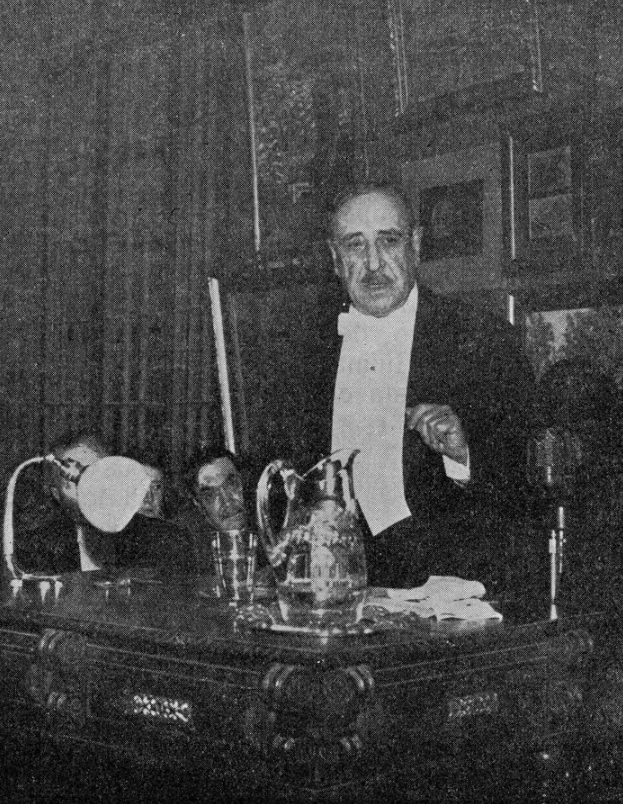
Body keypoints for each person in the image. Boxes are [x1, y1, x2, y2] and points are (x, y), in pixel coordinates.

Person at [296, 183, 535, 588]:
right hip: (334, 588)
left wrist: (462, 455)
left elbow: (526, 482)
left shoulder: (484, 340)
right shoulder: (306, 351)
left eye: (389, 241)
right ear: (335, 258)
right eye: (355, 245)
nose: (373, 264)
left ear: (417, 245)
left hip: (448, 593)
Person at [15, 430, 114, 573]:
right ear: (56, 494)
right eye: (75, 481)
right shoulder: (38, 546)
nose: (88, 488)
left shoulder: (138, 532)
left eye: (95, 475)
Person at [173, 446, 250, 572]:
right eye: (210, 495)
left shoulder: (270, 531)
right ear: (198, 503)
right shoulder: (189, 551)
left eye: (232, 484)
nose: (227, 501)